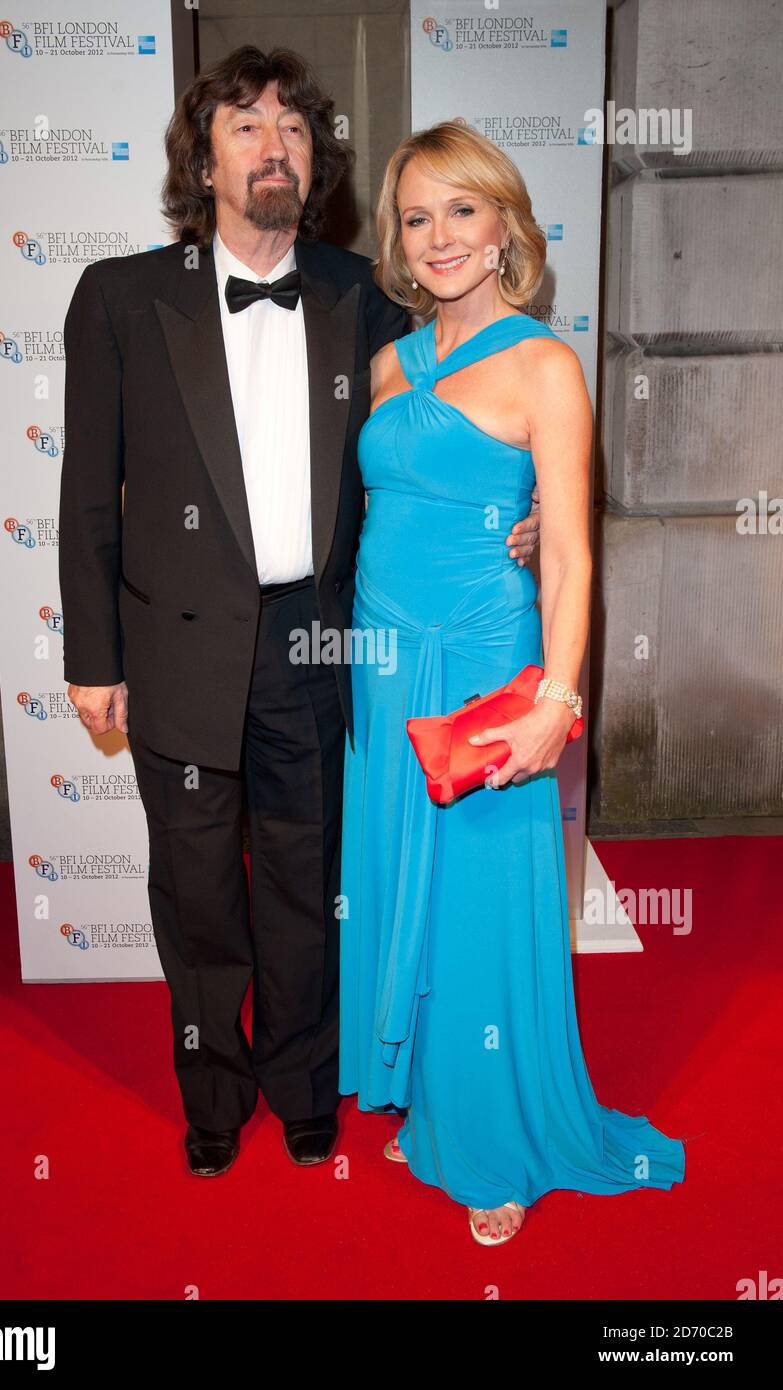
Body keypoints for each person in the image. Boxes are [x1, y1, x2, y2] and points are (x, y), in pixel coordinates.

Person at [59, 49, 542, 1178]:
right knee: (193, 888)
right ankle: (214, 1092)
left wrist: (512, 519)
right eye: (244, 125)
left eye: (291, 129)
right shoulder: (123, 297)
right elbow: (88, 490)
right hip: (174, 642)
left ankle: (303, 1078)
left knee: (304, 875)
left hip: (318, 642)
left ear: (315, 158)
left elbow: (450, 435)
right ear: (205, 157)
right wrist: (92, 654)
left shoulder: (363, 294)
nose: (272, 146)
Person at [339, 121, 686, 1244]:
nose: (438, 236)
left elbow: (575, 550)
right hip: (384, 667)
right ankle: (438, 1100)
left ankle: (497, 1139)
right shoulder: (391, 361)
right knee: (407, 889)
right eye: (416, 215)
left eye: (461, 210)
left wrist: (559, 700)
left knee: (484, 904)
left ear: (505, 227)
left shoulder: (546, 362)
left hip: (489, 671)